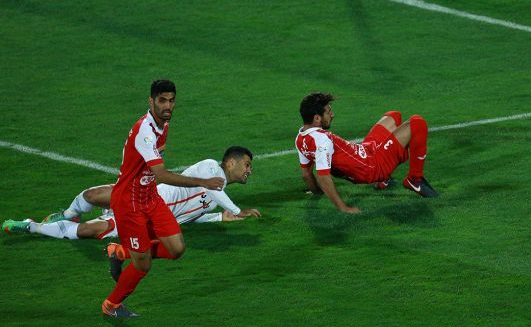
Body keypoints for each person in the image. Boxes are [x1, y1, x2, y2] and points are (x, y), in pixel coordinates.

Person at [97, 79, 225, 319]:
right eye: (162, 100)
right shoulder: (145, 131)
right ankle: (111, 305)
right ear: (151, 101)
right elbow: (162, 175)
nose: (168, 106)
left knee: (177, 249)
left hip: (150, 197)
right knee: (143, 265)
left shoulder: (163, 123)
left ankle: (121, 252)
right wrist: (203, 182)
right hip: (130, 203)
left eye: (171, 100)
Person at [2, 146, 261, 243]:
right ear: (231, 162)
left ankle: (31, 226)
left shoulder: (214, 201)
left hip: (145, 218)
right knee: (92, 195)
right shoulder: (210, 168)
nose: (249, 170)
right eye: (247, 164)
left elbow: (188, 218)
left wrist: (219, 218)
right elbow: (214, 190)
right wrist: (238, 211)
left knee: (88, 231)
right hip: (144, 194)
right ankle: (66, 214)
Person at [296, 92, 438, 214]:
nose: (332, 115)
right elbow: (323, 177)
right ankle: (415, 179)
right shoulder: (322, 141)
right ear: (317, 118)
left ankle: (384, 181)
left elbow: (306, 174)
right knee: (417, 123)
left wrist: (316, 192)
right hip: (372, 166)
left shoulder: (301, 138)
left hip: (366, 150)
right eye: (328, 112)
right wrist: (344, 208)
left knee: (393, 116)